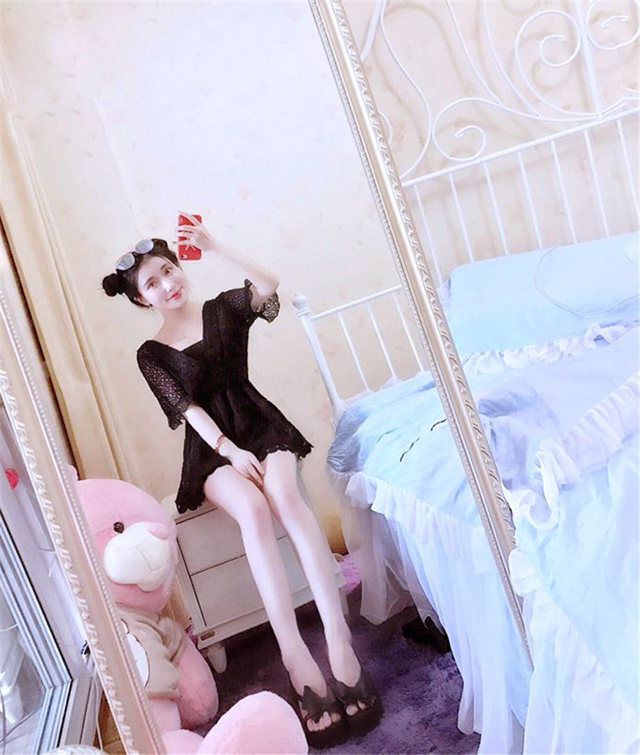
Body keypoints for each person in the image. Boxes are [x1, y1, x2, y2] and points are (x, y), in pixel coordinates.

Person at [101, 216, 382, 748]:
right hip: (211, 450)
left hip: (262, 424)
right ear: (141, 299)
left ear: (180, 268)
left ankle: (339, 639)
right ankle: (295, 656)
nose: (166, 285)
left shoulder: (223, 309)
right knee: (252, 510)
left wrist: (215, 245)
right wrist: (228, 450)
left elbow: (269, 285)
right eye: (152, 284)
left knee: (284, 497)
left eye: (168, 271)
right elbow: (188, 410)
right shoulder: (151, 354)